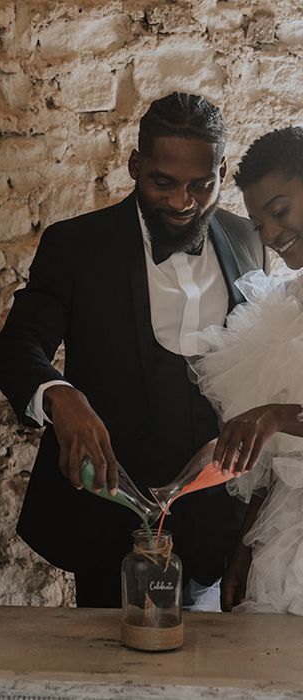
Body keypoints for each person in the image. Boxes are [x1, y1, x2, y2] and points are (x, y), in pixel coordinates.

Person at [0, 92, 265, 608]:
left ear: (222, 171)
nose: (183, 201)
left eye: (201, 185)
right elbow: (17, 347)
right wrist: (60, 395)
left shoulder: (249, 239)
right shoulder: (76, 245)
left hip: (218, 524)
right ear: (135, 165)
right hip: (110, 520)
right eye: (162, 181)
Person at [189, 126, 303, 614]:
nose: (272, 236)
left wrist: (278, 414)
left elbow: (281, 422)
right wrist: (243, 550)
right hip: (286, 533)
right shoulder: (290, 306)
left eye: (280, 212)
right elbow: (277, 463)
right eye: (259, 225)